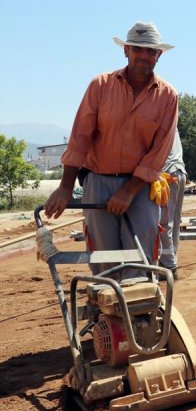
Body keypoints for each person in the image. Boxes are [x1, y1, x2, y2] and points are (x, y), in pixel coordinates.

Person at [43, 21, 179, 273]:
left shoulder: (168, 96)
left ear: (159, 55)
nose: (144, 56)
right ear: (126, 50)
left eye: (151, 51)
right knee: (104, 255)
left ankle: (138, 307)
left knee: (140, 251)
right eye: (138, 49)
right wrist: (65, 187)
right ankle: (109, 308)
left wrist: (128, 191)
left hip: (140, 186)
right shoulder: (101, 85)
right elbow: (80, 137)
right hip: (98, 181)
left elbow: (159, 150)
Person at [158, 128, 186, 279]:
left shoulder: (160, 121)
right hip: (178, 173)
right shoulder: (171, 123)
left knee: (164, 222)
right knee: (174, 222)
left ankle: (169, 265)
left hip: (168, 175)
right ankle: (171, 260)